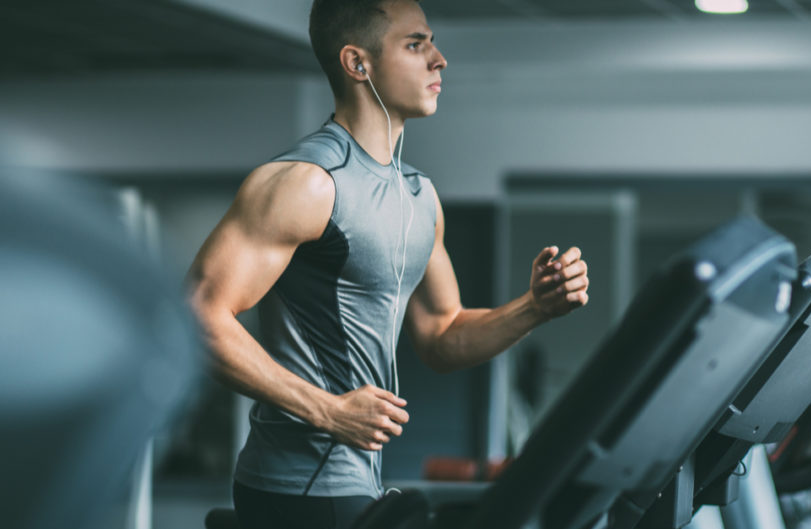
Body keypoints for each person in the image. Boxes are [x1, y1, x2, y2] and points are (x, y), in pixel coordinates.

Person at [185, 0, 590, 527]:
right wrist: (326, 410)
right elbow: (197, 316)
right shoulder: (308, 182)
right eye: (416, 44)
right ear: (359, 63)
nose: (439, 60)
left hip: (362, 479)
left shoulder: (419, 196)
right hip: (297, 486)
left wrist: (535, 308)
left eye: (432, 43)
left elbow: (442, 335)